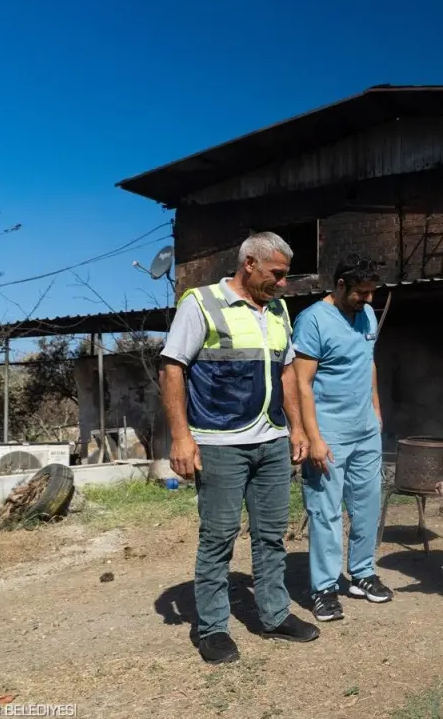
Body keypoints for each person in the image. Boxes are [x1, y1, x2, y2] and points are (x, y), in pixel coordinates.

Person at [159, 231, 320, 666]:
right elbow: (172, 368)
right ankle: (212, 628)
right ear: (249, 263)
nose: (283, 284)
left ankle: (274, 614)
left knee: (271, 536)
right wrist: (180, 437)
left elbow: (287, 374)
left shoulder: (278, 310)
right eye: (277, 274)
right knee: (219, 537)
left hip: (270, 439)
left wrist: (298, 429)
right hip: (219, 442)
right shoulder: (202, 303)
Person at [293, 253, 392, 622]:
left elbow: (368, 361)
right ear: (339, 286)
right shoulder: (313, 320)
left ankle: (363, 573)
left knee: (367, 504)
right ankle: (323, 587)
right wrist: (312, 436)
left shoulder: (366, 313)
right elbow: (301, 382)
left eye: (371, 292)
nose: (368, 300)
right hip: (329, 431)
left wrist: (376, 408)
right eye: (361, 293)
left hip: (365, 427)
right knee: (326, 511)